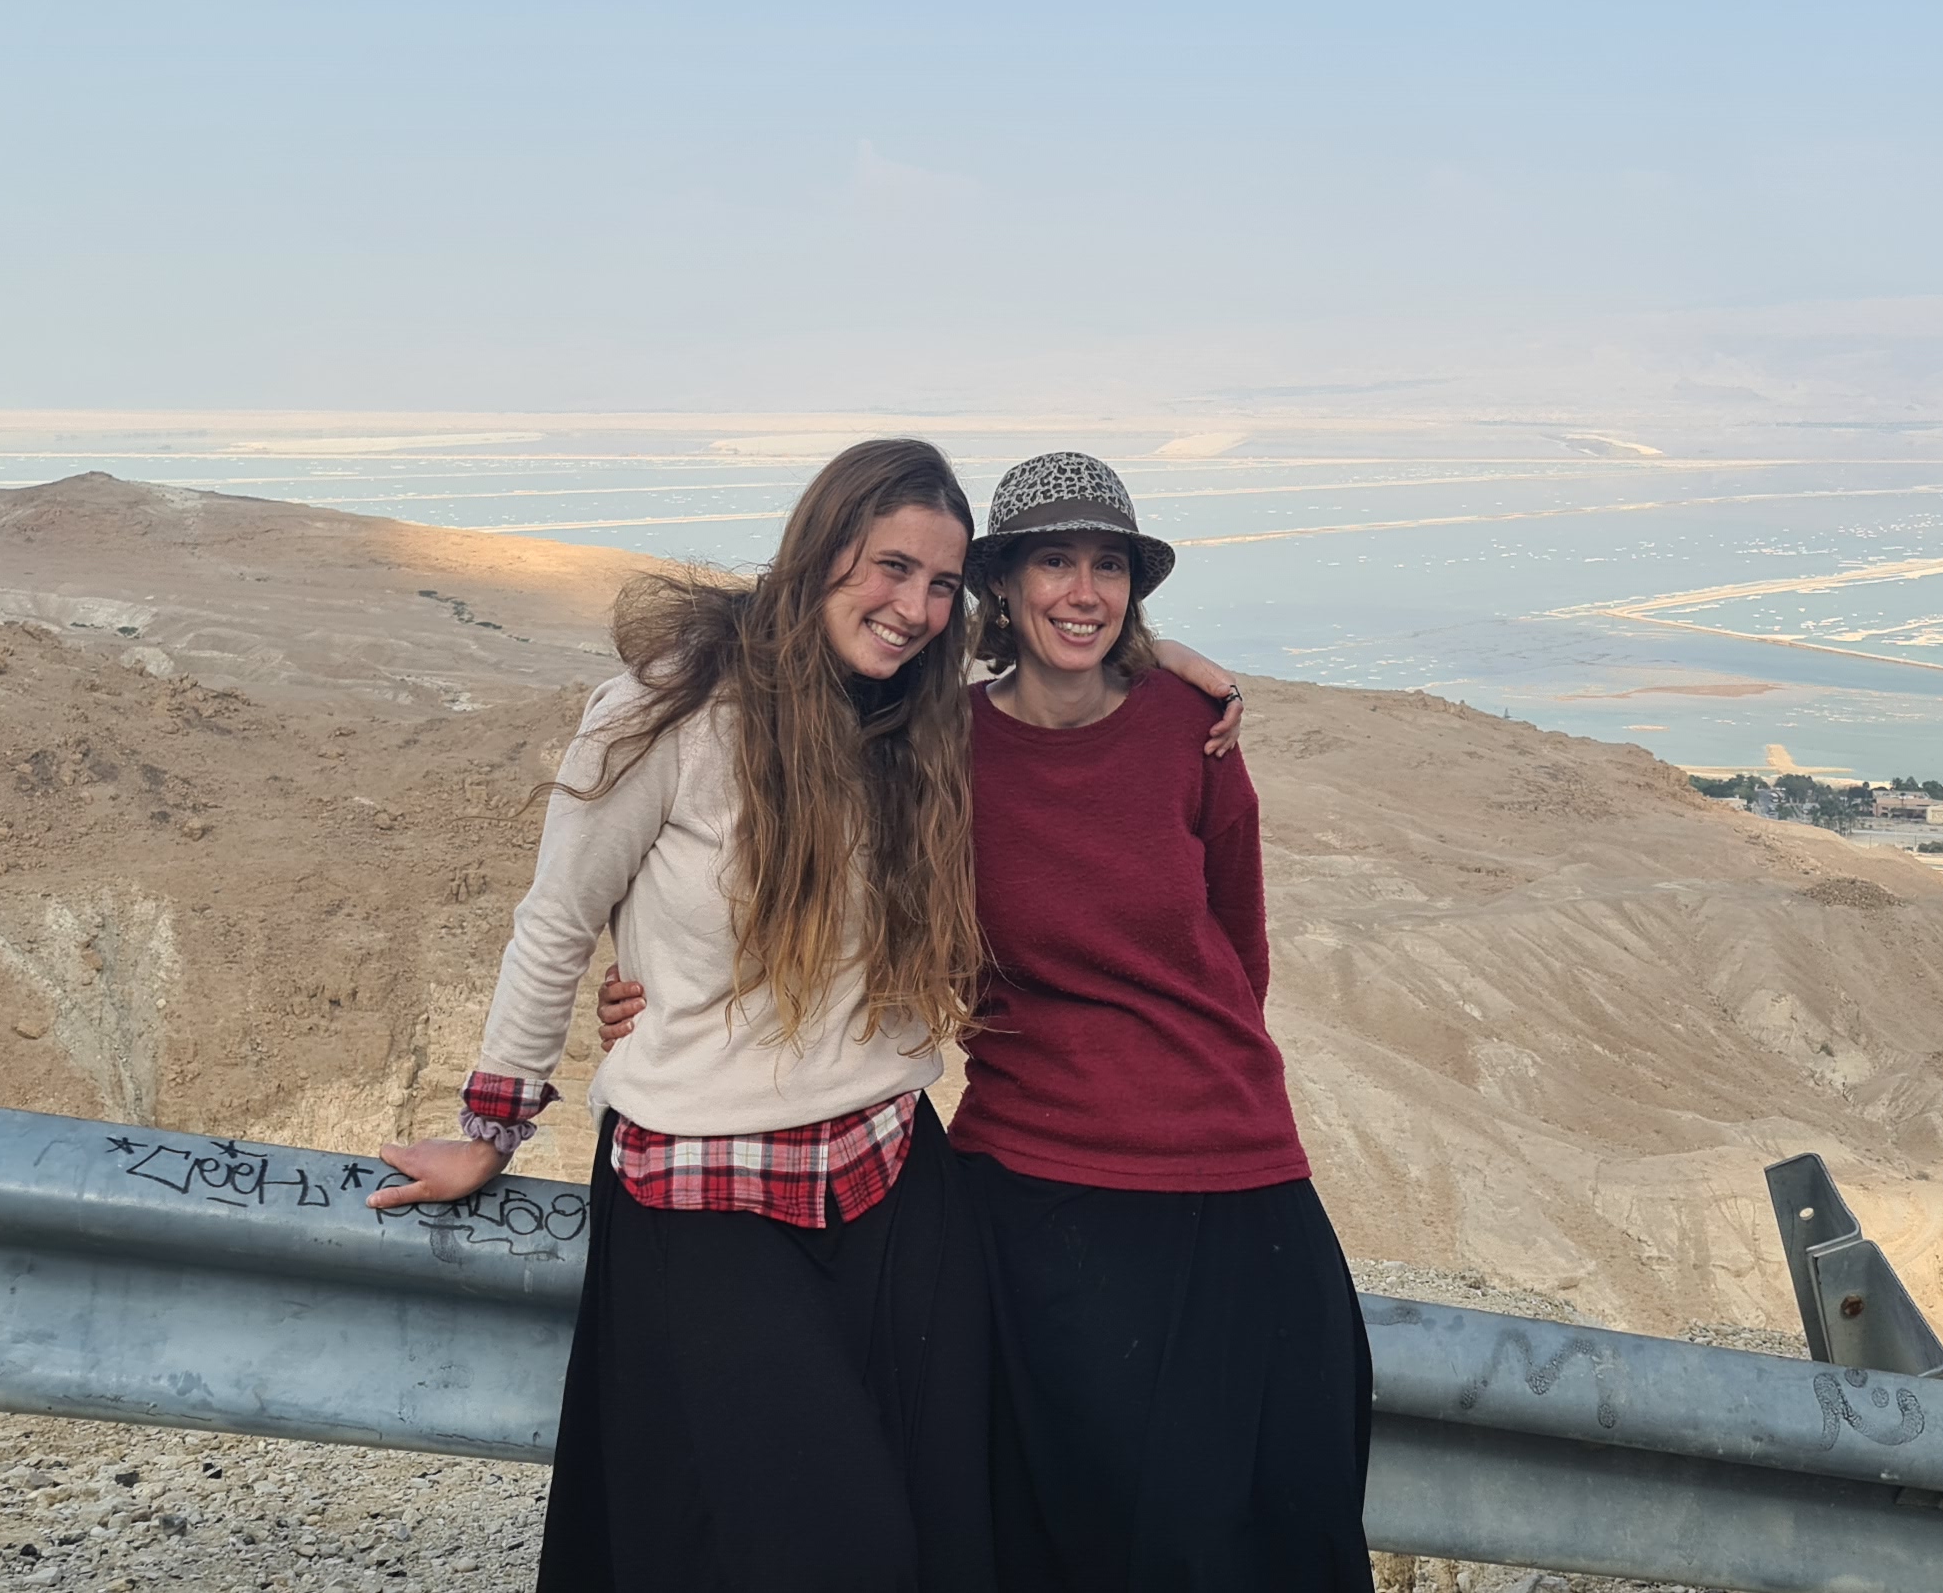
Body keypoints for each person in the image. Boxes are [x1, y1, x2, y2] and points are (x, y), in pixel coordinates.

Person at [374, 439, 1249, 1593]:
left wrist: (1165, 658)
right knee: (831, 1546)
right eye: (892, 567)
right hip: (703, 1191)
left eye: (941, 584)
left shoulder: (917, 720)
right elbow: (557, 916)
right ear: (821, 547)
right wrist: (491, 1127)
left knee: (947, 1535)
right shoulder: (666, 710)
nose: (915, 608)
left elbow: (1056, 671)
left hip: (894, 1178)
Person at [600, 451, 1361, 1592]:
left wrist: (1180, 665)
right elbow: (803, 884)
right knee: (1058, 1531)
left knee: (1279, 1508)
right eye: (1054, 561)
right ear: (1000, 583)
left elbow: (1238, 950)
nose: (1084, 591)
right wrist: (650, 977)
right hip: (1033, 1179)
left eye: (1110, 566)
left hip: (1234, 1161)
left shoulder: (1191, 728)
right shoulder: (931, 740)